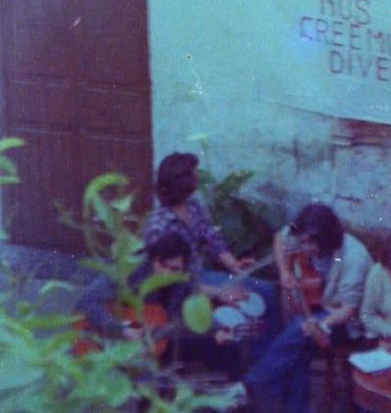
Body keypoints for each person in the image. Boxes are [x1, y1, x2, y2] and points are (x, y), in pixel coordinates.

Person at [140, 152, 280, 361]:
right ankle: (254, 363)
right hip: (181, 289)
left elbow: (211, 238)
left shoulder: (193, 205)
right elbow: (165, 281)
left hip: (201, 276)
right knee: (241, 304)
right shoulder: (158, 227)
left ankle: (267, 359)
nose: (198, 176)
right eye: (194, 173)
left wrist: (234, 266)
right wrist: (218, 292)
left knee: (266, 290)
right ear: (183, 181)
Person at [235, 203, 372, 412]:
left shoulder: (354, 257)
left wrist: (321, 324)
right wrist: (284, 273)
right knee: (299, 347)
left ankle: (250, 387)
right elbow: (280, 238)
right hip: (317, 310)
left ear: (327, 237)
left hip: (345, 322)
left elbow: (348, 310)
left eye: (310, 243)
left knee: (299, 330)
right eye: (303, 242)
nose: (304, 248)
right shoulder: (302, 236)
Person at [75, 233, 234, 346]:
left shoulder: (181, 283)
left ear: (184, 269)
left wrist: (216, 331)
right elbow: (86, 301)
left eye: (174, 268)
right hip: (100, 340)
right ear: (153, 259)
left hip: (146, 348)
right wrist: (120, 329)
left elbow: (191, 318)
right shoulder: (130, 270)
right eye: (161, 265)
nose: (166, 273)